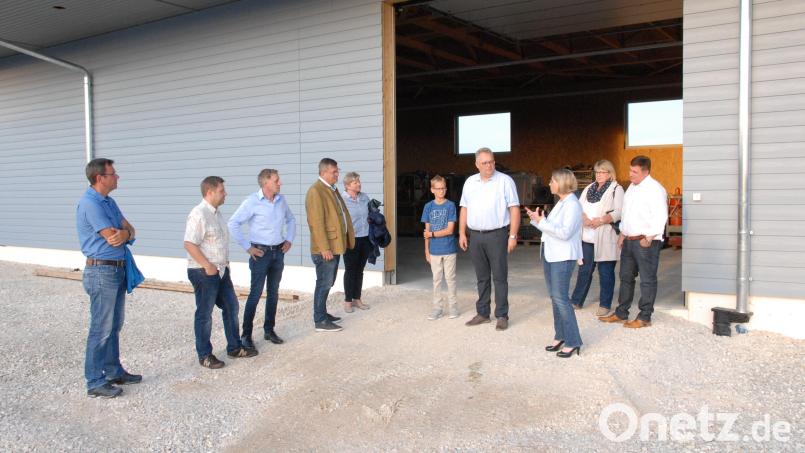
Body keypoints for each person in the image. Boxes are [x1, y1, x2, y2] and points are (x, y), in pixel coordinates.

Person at [76, 158, 141, 398]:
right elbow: (110, 236)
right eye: (113, 174)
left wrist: (125, 233)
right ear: (100, 178)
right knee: (100, 329)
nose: (117, 177)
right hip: (101, 271)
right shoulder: (90, 204)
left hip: (116, 269)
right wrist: (124, 233)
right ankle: (94, 381)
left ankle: (114, 371)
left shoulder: (109, 202)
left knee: (114, 326)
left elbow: (128, 230)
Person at [185, 176, 257, 369]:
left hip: (222, 271)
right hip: (204, 271)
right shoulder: (199, 214)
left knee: (231, 306)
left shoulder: (216, 214)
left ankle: (234, 347)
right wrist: (207, 265)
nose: (225, 194)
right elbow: (189, 243)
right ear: (210, 192)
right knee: (204, 314)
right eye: (222, 191)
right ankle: (205, 355)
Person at [228, 169, 296, 350]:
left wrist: (289, 239)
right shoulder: (252, 202)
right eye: (276, 180)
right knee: (255, 294)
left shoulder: (281, 201)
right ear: (266, 183)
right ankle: (246, 335)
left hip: (278, 253)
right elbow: (233, 223)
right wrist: (247, 247)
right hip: (261, 254)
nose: (280, 183)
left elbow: (291, 220)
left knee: (273, 292)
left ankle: (269, 330)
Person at [600, 155, 668, 328]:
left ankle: (645, 317)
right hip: (629, 240)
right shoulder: (631, 187)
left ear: (645, 172)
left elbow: (660, 215)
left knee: (647, 279)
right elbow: (626, 213)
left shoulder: (655, 189)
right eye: (630, 170)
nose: (631, 174)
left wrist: (650, 237)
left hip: (646, 242)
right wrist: (622, 233)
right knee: (626, 277)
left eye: (635, 172)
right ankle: (622, 313)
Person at [459, 148, 520, 331]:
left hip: (497, 235)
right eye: (485, 163)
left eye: (492, 161)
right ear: (477, 164)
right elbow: (464, 208)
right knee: (481, 277)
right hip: (475, 236)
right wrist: (462, 233)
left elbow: (514, 209)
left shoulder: (505, 181)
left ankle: (502, 315)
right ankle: (483, 313)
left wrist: (513, 235)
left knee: (500, 276)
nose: (489, 165)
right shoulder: (470, 182)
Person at [527, 168, 583, 358]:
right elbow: (552, 228)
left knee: (561, 298)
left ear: (562, 183)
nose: (549, 183)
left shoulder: (572, 205)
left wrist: (542, 222)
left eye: (552, 180)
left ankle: (573, 340)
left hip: (563, 257)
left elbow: (564, 233)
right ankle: (560, 334)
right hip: (552, 255)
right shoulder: (561, 202)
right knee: (555, 297)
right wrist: (537, 220)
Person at [569, 159, 625, 317]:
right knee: (584, 270)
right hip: (587, 237)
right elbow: (578, 206)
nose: (599, 175)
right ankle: (576, 300)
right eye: (597, 172)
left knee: (605, 272)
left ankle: (605, 304)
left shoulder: (616, 189)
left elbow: (619, 211)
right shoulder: (589, 188)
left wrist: (600, 220)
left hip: (605, 236)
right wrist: (584, 218)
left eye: (602, 172)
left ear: (610, 173)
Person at [305, 158, 355, 332]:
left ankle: (323, 313)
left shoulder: (331, 189)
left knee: (328, 281)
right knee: (324, 283)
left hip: (335, 246)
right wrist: (324, 247)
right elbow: (316, 223)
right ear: (324, 172)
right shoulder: (316, 191)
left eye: (337, 171)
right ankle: (320, 320)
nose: (337, 174)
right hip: (325, 249)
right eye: (334, 172)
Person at [421, 175, 459, 320]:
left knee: (450, 279)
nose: (441, 191)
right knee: (436, 280)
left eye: (443, 188)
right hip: (434, 251)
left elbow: (450, 230)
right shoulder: (428, 207)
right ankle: (437, 308)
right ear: (432, 190)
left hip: (449, 249)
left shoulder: (450, 205)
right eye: (438, 188)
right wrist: (426, 250)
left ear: (446, 189)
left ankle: (453, 307)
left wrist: (432, 234)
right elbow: (426, 232)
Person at [341, 172, 372, 313]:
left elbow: (370, 214)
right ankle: (348, 301)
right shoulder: (341, 200)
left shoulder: (364, 197)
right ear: (347, 185)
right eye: (355, 182)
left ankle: (357, 299)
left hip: (365, 238)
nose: (359, 184)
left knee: (360, 270)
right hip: (350, 240)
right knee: (350, 270)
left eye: (359, 181)